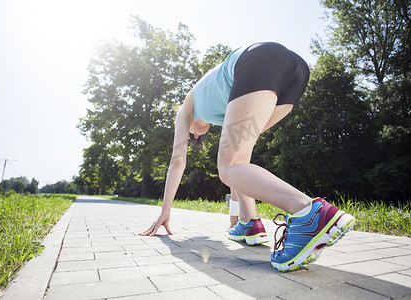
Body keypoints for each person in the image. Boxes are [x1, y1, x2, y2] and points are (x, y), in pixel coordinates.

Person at [139, 42, 356, 272]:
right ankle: (249, 223)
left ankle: (309, 212)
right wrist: (237, 214)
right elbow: (241, 164)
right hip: (295, 71)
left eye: (191, 134)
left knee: (227, 166)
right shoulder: (224, 108)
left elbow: (177, 161)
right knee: (237, 161)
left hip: (259, 61)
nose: (193, 135)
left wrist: (165, 210)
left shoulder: (186, 109)